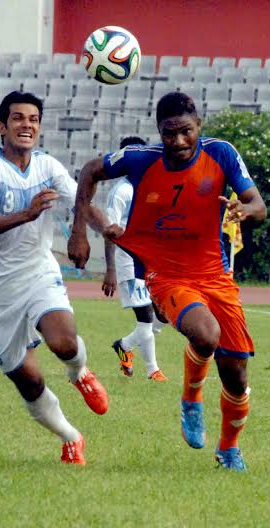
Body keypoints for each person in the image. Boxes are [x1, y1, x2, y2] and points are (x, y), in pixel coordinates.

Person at [68, 92, 267, 471]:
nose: (177, 142)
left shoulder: (221, 154)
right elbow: (91, 170)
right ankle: (191, 398)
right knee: (206, 335)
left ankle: (228, 449)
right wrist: (80, 230)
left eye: (186, 132)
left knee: (237, 375)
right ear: (159, 131)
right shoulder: (142, 159)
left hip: (215, 273)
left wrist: (246, 209)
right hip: (166, 274)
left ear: (199, 126)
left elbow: (259, 205)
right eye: (169, 133)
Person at [0, 91, 109, 465]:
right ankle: (70, 436)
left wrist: (100, 229)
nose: (26, 124)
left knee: (63, 341)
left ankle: (79, 373)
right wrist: (27, 215)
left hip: (37, 271)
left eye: (32, 119)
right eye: (17, 118)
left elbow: (81, 197)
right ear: (2, 127)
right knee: (27, 380)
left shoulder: (47, 165)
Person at [102, 136, 168, 381]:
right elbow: (109, 231)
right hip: (129, 263)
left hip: (153, 261)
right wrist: (110, 270)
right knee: (145, 318)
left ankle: (124, 345)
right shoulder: (120, 192)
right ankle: (153, 370)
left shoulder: (151, 187)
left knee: (166, 315)